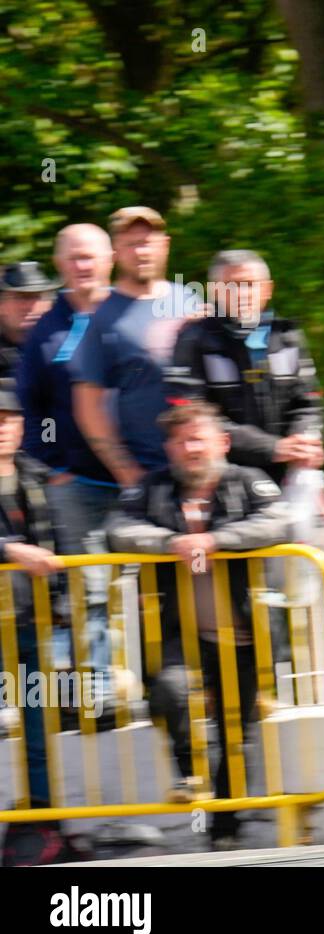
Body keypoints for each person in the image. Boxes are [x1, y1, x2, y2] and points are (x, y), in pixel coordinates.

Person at [106, 402, 292, 850]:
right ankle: (193, 773)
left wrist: (214, 540)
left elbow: (280, 521)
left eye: (199, 438)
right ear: (170, 447)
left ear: (222, 443)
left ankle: (223, 832)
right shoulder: (152, 488)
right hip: (178, 632)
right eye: (182, 439)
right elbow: (118, 529)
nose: (191, 448)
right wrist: (173, 542)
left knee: (237, 733)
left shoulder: (248, 481)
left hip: (245, 634)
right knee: (167, 693)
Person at [18, 225, 118, 673]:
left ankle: (177, 687)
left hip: (147, 476)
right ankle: (96, 690)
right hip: (78, 484)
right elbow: (29, 407)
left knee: (167, 577)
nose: (83, 265)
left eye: (91, 256)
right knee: (89, 588)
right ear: (60, 264)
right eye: (74, 257)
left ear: (110, 258)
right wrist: (53, 467)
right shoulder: (44, 331)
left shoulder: (134, 311)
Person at [0, 379, 84, 865]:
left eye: (8, 419)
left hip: (29, 624)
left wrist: (61, 608)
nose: (2, 429)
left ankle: (43, 827)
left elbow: (61, 546)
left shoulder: (36, 474)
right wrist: (10, 549)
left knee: (36, 736)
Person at [165, 249, 324, 485]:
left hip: (289, 470)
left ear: (268, 289)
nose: (242, 293)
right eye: (230, 285)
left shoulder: (288, 336)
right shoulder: (193, 339)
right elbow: (190, 417)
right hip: (222, 479)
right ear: (214, 291)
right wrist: (272, 447)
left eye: (250, 284)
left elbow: (309, 403)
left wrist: (305, 440)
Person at [70, 206, 192, 489]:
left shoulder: (191, 300)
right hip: (151, 472)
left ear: (165, 244)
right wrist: (128, 474)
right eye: (131, 244)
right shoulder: (101, 318)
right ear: (115, 253)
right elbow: (87, 407)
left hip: (205, 467)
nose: (141, 252)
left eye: (147, 242)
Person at [0, 262, 58, 380]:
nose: (29, 306)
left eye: (36, 297)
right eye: (20, 297)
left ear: (49, 304)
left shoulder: (64, 349)